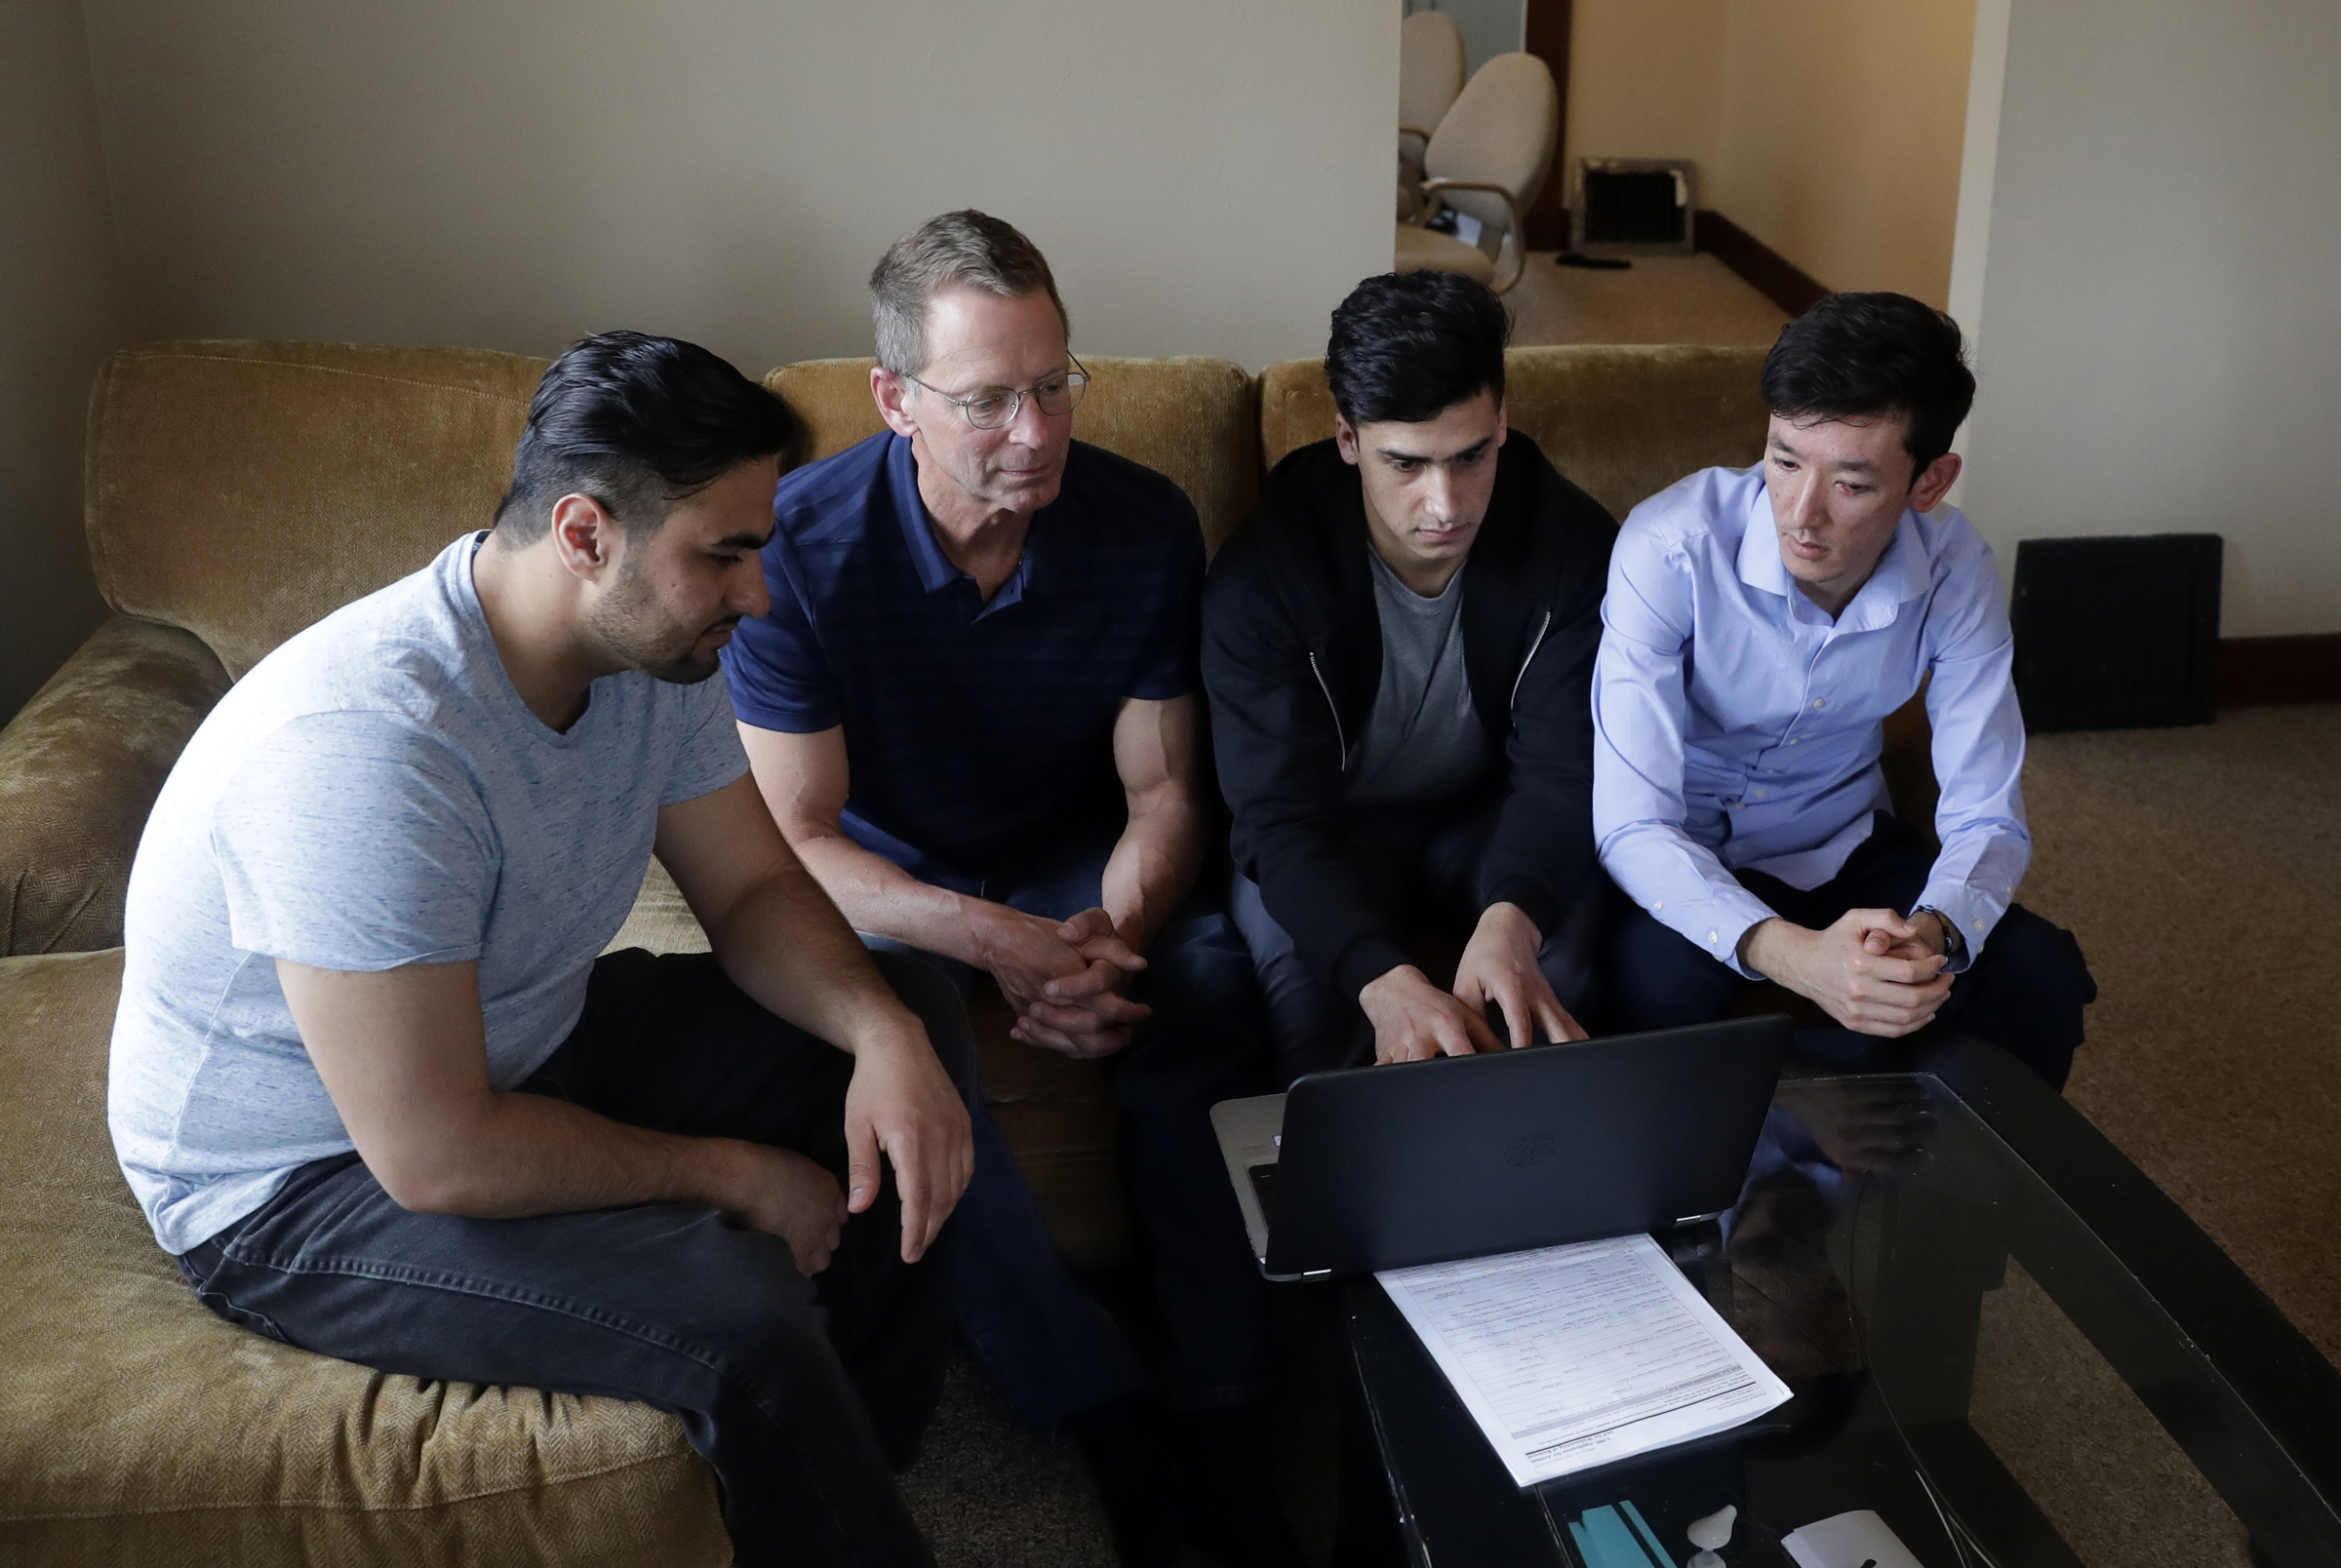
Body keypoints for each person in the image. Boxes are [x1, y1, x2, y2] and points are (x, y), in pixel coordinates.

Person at [107, 332, 976, 1568]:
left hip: (514, 1040)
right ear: (584, 535)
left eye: (758, 549)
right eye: (724, 556)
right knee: (740, 1311)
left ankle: (852, 1459)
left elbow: (747, 888)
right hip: (302, 1179)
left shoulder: (651, 651)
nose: (759, 595)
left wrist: (882, 1033)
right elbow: (439, 1151)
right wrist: (734, 1177)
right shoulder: (369, 752)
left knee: (911, 1012)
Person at [720, 211, 1291, 1568]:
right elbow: (797, 838)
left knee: (1202, 987)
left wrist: (1108, 938)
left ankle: (1225, 1408)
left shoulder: (1143, 523)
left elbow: (1162, 798)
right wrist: (995, 942)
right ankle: (1099, 1411)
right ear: (895, 400)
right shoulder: (792, 551)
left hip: (1065, 853)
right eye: (986, 401)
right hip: (889, 879)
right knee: (908, 1045)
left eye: (1053, 386)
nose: (1033, 434)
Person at [1593, 291, 2095, 1087]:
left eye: (1851, 485)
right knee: (1646, 1002)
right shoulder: (1671, 547)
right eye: (1785, 458)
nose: (1800, 513)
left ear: (1929, 483)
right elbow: (1631, 825)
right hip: (1681, 851)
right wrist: (1796, 957)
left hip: (1836, 840)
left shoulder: (1956, 567)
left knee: (2038, 974)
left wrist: (1933, 932)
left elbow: (1986, 811)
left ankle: (1929, 1183)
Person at [1202, 270, 1618, 1080]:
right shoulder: (1264, 578)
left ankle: (1544, 1205)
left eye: (1470, 456)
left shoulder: (1573, 547)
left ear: (1502, 421)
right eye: (1406, 464)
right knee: (1316, 1021)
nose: (1445, 503)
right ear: (1348, 440)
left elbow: (1567, 774)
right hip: (1331, 827)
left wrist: (1516, 916)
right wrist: (1380, 980)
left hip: (1486, 814)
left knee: (1556, 987)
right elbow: (1279, 821)